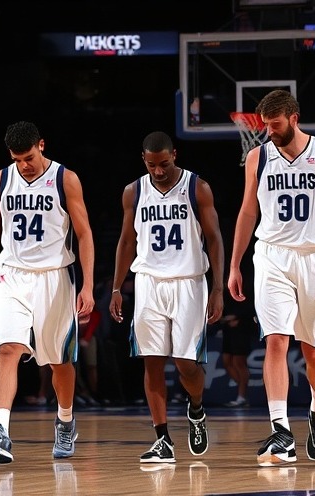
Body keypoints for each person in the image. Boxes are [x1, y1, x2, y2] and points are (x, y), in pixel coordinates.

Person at [227, 89, 315, 465]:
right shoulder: (257, 157)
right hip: (271, 256)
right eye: (265, 125)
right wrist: (236, 264)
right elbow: (248, 211)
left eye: (276, 124)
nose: (269, 131)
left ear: (294, 118)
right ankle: (281, 431)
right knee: (276, 341)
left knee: (313, 348)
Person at [0, 121, 95, 464]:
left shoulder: (65, 179)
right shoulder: (0, 180)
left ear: (42, 145)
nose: (23, 164)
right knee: (8, 349)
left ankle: (66, 421)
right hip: (11, 273)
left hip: (56, 277)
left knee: (59, 362)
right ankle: (1, 431)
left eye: (28, 156)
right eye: (17, 158)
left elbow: (84, 234)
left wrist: (87, 284)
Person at [109, 131, 225, 463]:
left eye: (163, 163)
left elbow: (215, 239)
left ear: (174, 154)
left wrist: (217, 288)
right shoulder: (133, 191)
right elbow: (126, 241)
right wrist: (118, 287)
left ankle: (197, 409)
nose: (158, 171)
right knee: (153, 359)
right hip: (148, 281)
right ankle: (163, 439)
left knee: (186, 363)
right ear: (143, 159)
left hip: (189, 282)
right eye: (151, 165)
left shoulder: (196, 187)